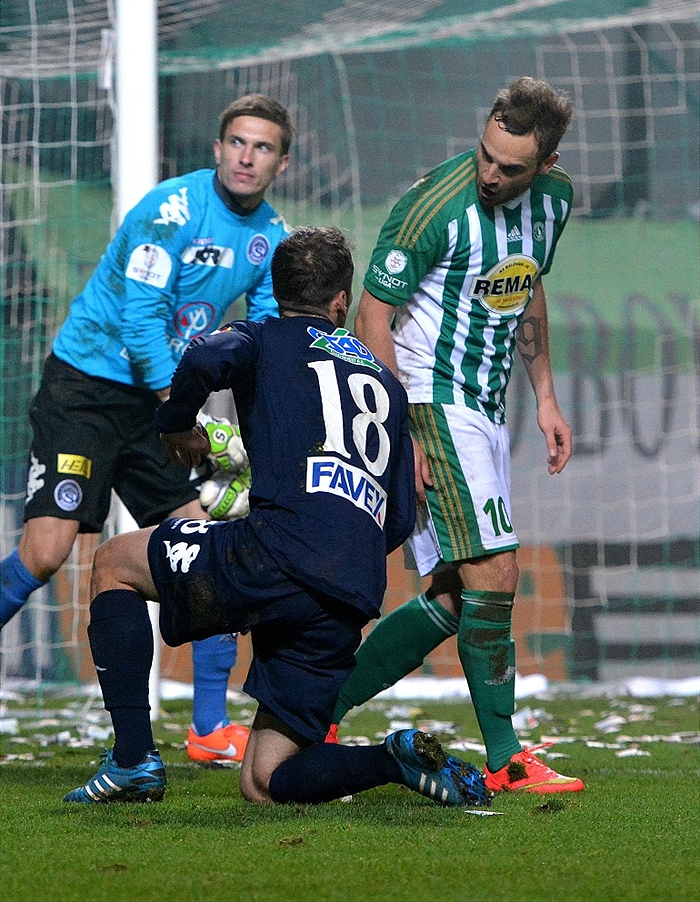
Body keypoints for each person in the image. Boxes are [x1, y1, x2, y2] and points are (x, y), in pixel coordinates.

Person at [61, 226, 490, 809]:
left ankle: (134, 760)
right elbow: (396, 520)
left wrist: (174, 423)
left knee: (113, 562)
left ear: (273, 286)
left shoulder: (262, 337)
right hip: (350, 589)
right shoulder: (387, 389)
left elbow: (206, 355)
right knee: (266, 780)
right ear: (341, 302)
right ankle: (390, 760)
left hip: (275, 553)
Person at [0, 93, 294, 765]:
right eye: (238, 143)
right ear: (218, 150)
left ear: (281, 162)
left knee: (210, 544)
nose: (248, 156)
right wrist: (181, 414)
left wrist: (270, 423)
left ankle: (209, 727)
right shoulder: (171, 211)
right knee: (47, 552)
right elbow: (139, 327)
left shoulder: (272, 238)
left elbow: (269, 338)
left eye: (264, 147)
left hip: (159, 403)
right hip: (88, 390)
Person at [327, 77, 584, 794]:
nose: (491, 175)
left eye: (511, 168)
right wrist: (395, 427)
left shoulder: (556, 202)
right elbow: (370, 316)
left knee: (452, 593)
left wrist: (546, 398)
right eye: (486, 156)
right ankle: (504, 756)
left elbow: (525, 284)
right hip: (429, 399)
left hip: (486, 402)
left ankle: (317, 710)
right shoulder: (434, 205)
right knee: (497, 573)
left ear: (547, 164)